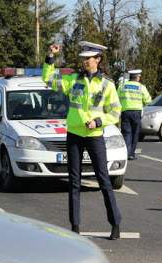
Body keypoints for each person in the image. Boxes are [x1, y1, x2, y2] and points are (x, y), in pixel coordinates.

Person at [42, 41, 122, 240]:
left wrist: (99, 121)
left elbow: (115, 112)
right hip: (75, 135)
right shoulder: (74, 80)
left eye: (89, 59)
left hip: (95, 136)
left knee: (104, 180)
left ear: (98, 60)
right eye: (84, 59)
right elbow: (49, 79)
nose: (85, 62)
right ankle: (75, 226)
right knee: (74, 182)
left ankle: (115, 223)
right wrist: (50, 57)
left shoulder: (107, 84)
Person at [117, 69, 152, 160]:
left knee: (126, 133)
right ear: (137, 77)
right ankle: (131, 154)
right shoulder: (141, 87)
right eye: (139, 76)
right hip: (136, 113)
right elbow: (148, 100)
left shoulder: (122, 86)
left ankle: (125, 153)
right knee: (135, 133)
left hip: (125, 112)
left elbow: (116, 98)